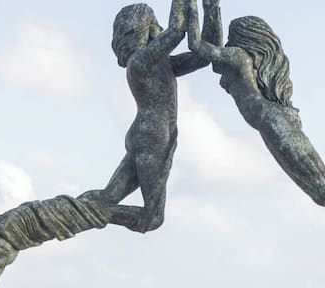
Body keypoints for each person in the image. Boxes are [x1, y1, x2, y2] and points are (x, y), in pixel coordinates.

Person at [186, 6, 325, 215]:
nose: (227, 43)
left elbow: (197, 45)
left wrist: (190, 6)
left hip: (273, 121)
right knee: (321, 193)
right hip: (272, 122)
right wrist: (211, 8)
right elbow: (211, 50)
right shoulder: (240, 60)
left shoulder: (239, 56)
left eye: (231, 37)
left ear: (246, 38)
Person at [79, 0, 221, 233]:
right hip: (152, 138)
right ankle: (90, 211)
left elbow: (204, 56)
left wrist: (211, 9)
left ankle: (76, 210)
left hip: (147, 136)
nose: (160, 28)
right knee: (152, 217)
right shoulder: (140, 61)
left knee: (108, 197)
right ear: (141, 29)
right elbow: (176, 32)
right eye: (154, 23)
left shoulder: (161, 64)